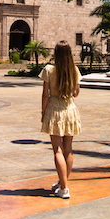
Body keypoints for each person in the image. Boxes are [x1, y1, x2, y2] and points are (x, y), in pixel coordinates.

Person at [39, 40, 82, 199]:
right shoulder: (75, 71)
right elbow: (76, 93)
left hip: (54, 110)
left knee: (57, 149)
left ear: (55, 54)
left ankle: (64, 188)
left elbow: (45, 94)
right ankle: (61, 182)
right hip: (70, 109)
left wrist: (43, 113)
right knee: (68, 149)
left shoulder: (49, 70)